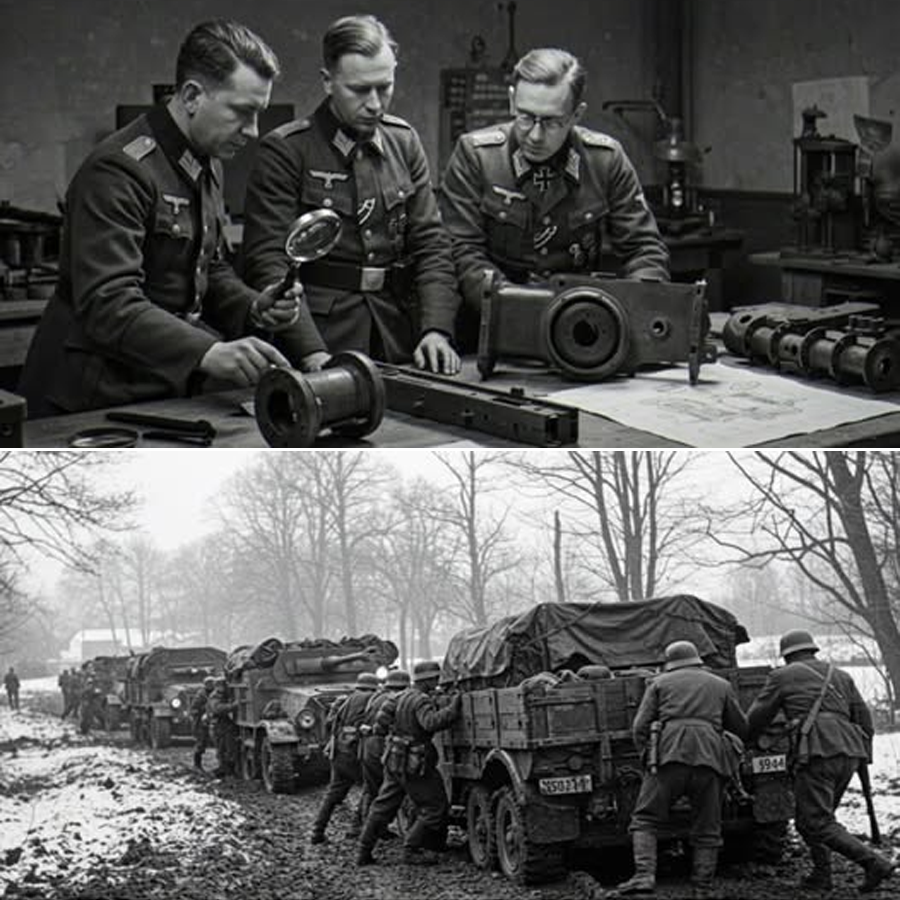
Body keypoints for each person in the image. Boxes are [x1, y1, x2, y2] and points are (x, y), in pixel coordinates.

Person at [18, 19, 326, 418]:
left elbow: (206, 267)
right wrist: (208, 351)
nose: (253, 132)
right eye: (242, 112)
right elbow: (108, 303)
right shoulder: (118, 170)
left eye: (259, 114)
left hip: (157, 381)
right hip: (91, 396)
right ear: (193, 95)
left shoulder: (205, 160)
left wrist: (253, 308)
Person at [242, 14, 462, 375]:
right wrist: (312, 352)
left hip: (396, 332)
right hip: (322, 335)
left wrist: (436, 329)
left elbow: (432, 245)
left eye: (385, 87)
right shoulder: (287, 150)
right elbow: (269, 261)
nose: (375, 104)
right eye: (360, 90)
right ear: (328, 82)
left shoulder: (403, 142)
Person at [439, 48, 669, 347]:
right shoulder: (476, 156)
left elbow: (644, 249)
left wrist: (632, 313)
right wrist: (521, 312)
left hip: (583, 331)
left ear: (577, 114)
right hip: (494, 328)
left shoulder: (605, 160)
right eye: (525, 117)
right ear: (511, 100)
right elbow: (463, 252)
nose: (535, 135)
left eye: (551, 122)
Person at [747, 630, 894, 894]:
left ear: (787, 655)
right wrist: (863, 757)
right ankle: (821, 875)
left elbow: (758, 716)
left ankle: (875, 864)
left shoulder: (782, 676)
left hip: (816, 751)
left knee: (816, 821)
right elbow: (865, 721)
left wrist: (747, 741)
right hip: (849, 753)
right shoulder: (841, 675)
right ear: (812, 650)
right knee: (815, 819)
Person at [613, 641, 748, 899]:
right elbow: (740, 726)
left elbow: (640, 727)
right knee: (708, 825)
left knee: (645, 818)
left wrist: (649, 757)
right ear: (697, 660)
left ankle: (644, 876)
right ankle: (703, 887)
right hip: (711, 759)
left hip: (668, 757)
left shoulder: (659, 684)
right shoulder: (721, 685)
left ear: (669, 662)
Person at [356, 660, 460, 867]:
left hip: (393, 759)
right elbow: (430, 723)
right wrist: (453, 708)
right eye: (435, 679)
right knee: (435, 807)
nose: (437, 682)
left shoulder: (396, 697)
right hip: (415, 763)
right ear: (428, 680)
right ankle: (411, 849)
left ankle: (363, 851)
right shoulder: (421, 700)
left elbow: (380, 727)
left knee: (382, 807)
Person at [310, 672, 379, 844]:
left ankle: (317, 832)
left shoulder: (344, 700)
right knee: (370, 789)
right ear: (373, 687)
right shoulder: (372, 699)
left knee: (332, 795)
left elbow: (330, 723)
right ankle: (357, 829)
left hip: (339, 753)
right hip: (356, 754)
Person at [359, 668, 410, 833]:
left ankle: (363, 827)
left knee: (372, 789)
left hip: (367, 746)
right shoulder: (394, 700)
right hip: (381, 746)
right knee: (386, 793)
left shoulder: (376, 697)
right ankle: (375, 830)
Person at [208, 677, 239, 778]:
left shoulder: (224, 695)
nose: (222, 687)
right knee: (222, 748)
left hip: (226, 724)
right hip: (219, 725)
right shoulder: (215, 696)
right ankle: (224, 770)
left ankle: (229, 769)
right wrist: (232, 706)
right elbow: (217, 709)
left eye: (223, 685)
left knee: (230, 747)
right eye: (219, 685)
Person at [190, 676, 216, 772]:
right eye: (209, 684)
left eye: (212, 683)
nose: (211, 685)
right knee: (201, 744)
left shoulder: (215, 694)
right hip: (201, 724)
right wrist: (203, 710)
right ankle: (197, 764)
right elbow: (193, 709)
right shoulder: (201, 695)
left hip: (213, 722)